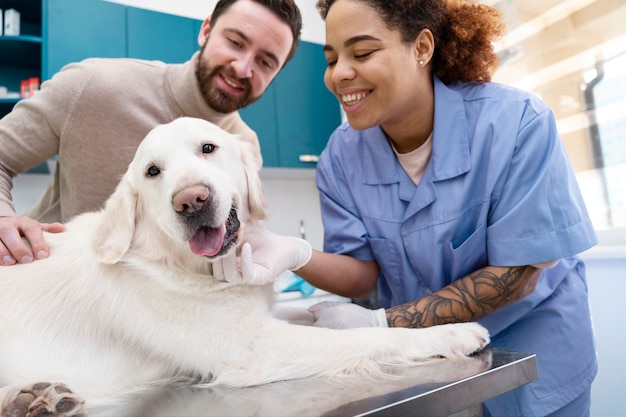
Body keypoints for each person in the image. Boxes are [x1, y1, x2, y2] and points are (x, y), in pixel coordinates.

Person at [232, 0, 599, 415]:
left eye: (362, 53)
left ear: (422, 48)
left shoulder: (517, 123)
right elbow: (361, 275)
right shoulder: (340, 156)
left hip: (529, 357)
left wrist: (380, 324)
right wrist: (294, 254)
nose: (339, 74)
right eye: (331, 59)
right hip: (426, 367)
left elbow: (517, 277)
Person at [0, 0, 302, 266]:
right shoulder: (92, 86)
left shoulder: (245, 145)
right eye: (235, 42)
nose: (242, 67)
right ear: (206, 30)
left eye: (265, 61)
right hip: (57, 287)